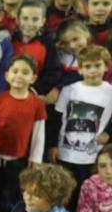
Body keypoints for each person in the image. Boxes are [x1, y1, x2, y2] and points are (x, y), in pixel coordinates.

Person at [0, 54, 46, 212]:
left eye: (25, 72)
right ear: (7, 75)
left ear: (33, 78)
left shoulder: (36, 104)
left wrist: (36, 158)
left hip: (17, 158)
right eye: (15, 71)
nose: (19, 75)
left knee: (12, 192)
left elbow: (39, 133)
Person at [48, 45, 112, 194]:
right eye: (88, 66)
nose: (93, 70)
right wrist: (52, 145)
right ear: (80, 69)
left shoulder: (110, 92)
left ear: (106, 68)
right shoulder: (69, 90)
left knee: (86, 192)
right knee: (63, 192)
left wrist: (109, 134)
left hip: (92, 156)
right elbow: (56, 119)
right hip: (64, 153)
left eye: (97, 65)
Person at [11, 0, 61, 97]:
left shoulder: (47, 44)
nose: (29, 24)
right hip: (5, 92)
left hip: (30, 95)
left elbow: (53, 72)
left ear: (43, 21)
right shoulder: (9, 40)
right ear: (17, 20)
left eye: (35, 19)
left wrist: (35, 89)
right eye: (25, 18)